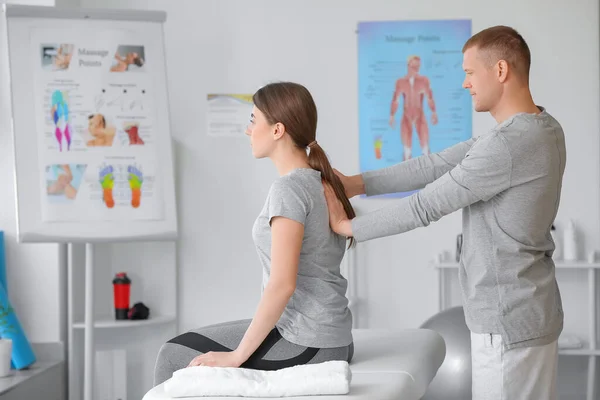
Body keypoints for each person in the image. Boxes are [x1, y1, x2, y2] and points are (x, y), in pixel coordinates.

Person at [325, 26, 565, 400]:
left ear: (500, 71)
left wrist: (349, 227)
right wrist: (355, 183)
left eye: (470, 72)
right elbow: (435, 165)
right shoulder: (542, 128)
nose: (466, 83)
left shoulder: (508, 144)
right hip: (527, 313)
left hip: (507, 322)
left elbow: (427, 204)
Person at [152, 82, 355, 386]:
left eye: (252, 120)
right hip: (329, 335)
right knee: (188, 345)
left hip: (309, 340)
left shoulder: (289, 190)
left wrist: (236, 356)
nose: (248, 131)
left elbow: (282, 284)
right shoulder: (321, 181)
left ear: (277, 130)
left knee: (173, 354)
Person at [389, 55, 438, 160]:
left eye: (418, 66)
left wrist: (433, 112)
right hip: (406, 115)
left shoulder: (423, 81)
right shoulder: (401, 82)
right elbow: (395, 100)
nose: (417, 68)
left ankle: (428, 173)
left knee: (425, 149)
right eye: (414, 66)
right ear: (409, 65)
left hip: (419, 115)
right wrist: (392, 115)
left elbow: (429, 97)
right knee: (407, 151)